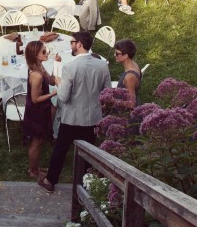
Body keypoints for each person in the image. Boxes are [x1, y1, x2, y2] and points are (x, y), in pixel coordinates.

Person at [39, 31, 109, 194]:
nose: (70, 45)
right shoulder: (102, 65)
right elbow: (107, 92)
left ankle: (50, 180)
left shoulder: (70, 67)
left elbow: (63, 96)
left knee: (61, 150)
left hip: (71, 117)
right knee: (89, 153)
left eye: (72, 42)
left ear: (79, 44)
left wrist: (58, 82)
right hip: (93, 117)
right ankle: (87, 186)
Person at [23, 39, 59, 178]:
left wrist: (56, 63)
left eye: (46, 50)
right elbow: (35, 99)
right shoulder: (36, 75)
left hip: (42, 110)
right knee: (36, 143)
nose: (47, 53)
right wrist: (53, 93)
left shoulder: (40, 67)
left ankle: (35, 167)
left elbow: (50, 80)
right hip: (36, 113)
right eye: (43, 51)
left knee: (39, 141)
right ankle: (33, 171)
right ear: (35, 55)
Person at [114, 39, 143, 106]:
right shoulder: (134, 64)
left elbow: (131, 104)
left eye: (117, 53)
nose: (114, 55)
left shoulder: (129, 77)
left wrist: (113, 101)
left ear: (126, 56)